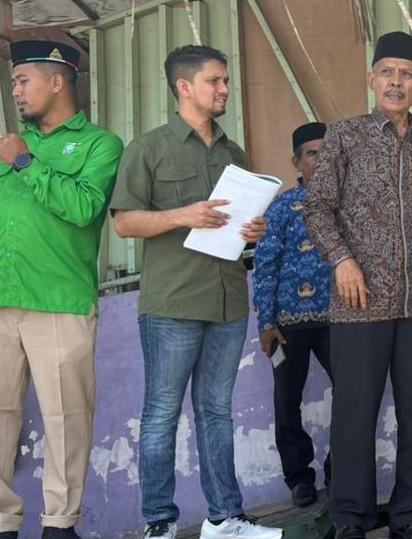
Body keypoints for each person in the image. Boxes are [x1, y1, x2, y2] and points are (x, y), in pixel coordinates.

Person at [0, 41, 123, 539]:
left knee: (68, 417)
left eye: (23, 81)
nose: (16, 91)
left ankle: (60, 524)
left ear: (56, 82)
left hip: (59, 298)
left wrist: (25, 163)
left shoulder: (99, 145)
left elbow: (84, 208)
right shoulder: (4, 149)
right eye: (15, 83)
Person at [304, 31, 412, 539]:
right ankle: (351, 519)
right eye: (387, 72)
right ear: (371, 79)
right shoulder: (345, 137)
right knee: (354, 417)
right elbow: (317, 208)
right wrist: (342, 260)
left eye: (406, 74)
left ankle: (409, 518)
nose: (396, 82)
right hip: (359, 301)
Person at [111, 45, 279, 539]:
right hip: (173, 302)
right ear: (184, 87)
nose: (225, 89)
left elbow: (244, 225)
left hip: (228, 299)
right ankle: (159, 523)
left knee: (216, 412)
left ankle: (225, 518)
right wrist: (182, 215)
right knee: (162, 413)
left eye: (225, 80)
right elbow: (124, 223)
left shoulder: (234, 154)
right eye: (214, 81)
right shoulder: (148, 149)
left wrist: (255, 230)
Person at [252, 122, 334, 509]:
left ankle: (341, 470)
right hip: (287, 326)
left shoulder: (348, 203)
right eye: (312, 153)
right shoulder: (281, 208)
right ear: (296, 162)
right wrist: (266, 323)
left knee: (355, 394)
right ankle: (299, 478)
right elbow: (265, 267)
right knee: (287, 401)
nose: (320, 160)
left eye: (326, 152)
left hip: (340, 320)